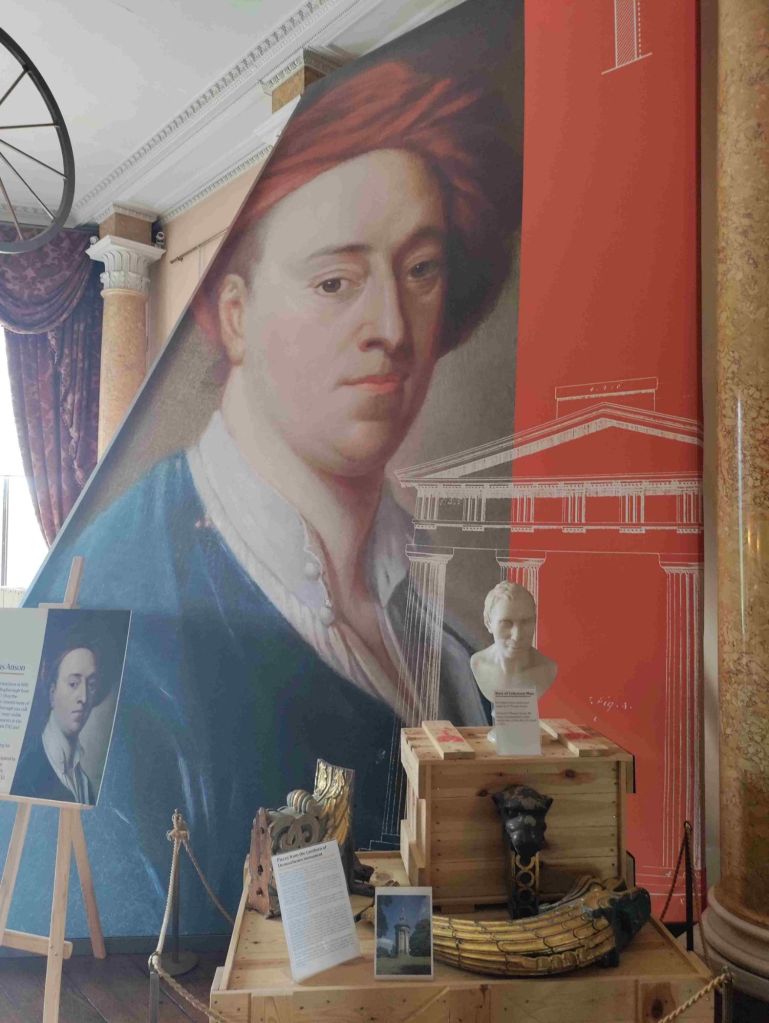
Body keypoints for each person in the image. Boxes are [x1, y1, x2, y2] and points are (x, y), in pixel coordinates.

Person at [27, 58, 521, 933]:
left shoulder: (441, 633)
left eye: (420, 270)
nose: (391, 329)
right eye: (335, 281)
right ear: (236, 313)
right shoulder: (113, 600)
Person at [12, 644, 101, 804]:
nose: (84, 697)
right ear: (52, 693)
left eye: (91, 685)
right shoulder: (27, 773)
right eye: (73, 684)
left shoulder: (84, 782)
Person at [471, 582, 558, 703]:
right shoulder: (477, 664)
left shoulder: (548, 669)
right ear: (488, 623)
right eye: (506, 623)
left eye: (526, 622)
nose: (517, 636)